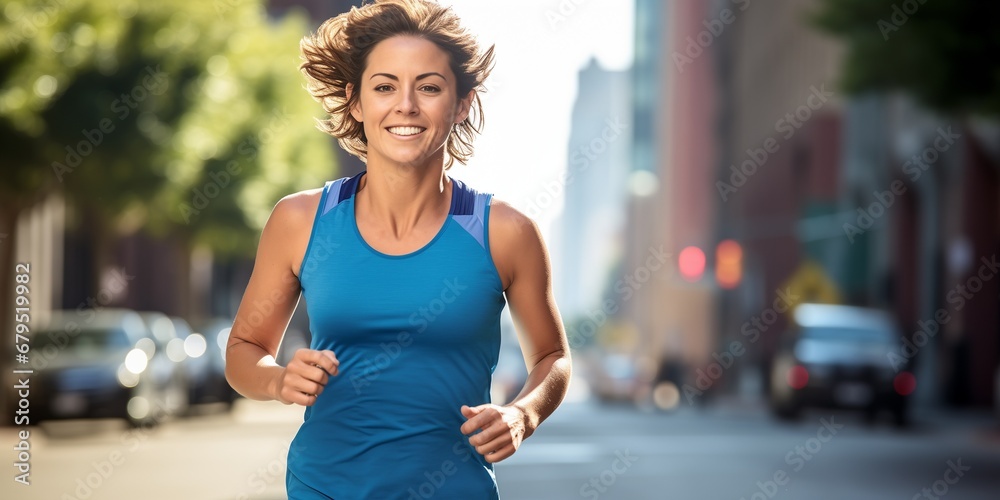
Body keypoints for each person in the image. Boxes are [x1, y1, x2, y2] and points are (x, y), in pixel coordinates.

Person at [223, 1, 572, 498]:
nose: (405, 105)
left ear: (462, 103)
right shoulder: (300, 221)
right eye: (384, 86)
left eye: (428, 87)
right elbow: (243, 352)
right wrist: (278, 381)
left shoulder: (505, 232)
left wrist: (523, 413)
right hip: (323, 487)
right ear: (357, 102)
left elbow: (553, 356)